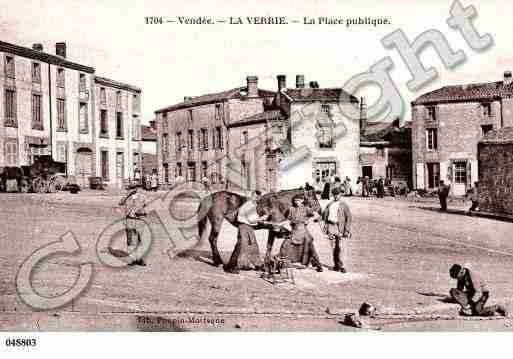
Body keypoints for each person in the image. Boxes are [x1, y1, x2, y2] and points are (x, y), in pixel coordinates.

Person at [224, 190, 266, 274]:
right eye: (255, 196)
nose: (257, 198)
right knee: (241, 246)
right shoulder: (249, 205)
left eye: (258, 197)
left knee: (253, 245)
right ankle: (231, 266)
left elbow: (253, 217)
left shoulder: (253, 205)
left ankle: (258, 264)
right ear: (252, 196)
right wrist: (263, 218)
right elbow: (251, 219)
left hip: (248, 226)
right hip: (244, 226)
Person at [283, 193, 323, 272]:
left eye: (298, 200)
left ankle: (318, 264)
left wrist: (308, 220)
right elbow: (288, 220)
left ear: (302, 201)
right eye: (295, 200)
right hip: (294, 230)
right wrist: (280, 224)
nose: (296, 202)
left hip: (303, 230)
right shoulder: (291, 209)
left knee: (311, 247)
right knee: (285, 245)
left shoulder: (306, 208)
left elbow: (317, 215)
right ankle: (282, 263)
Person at [322, 187, 352, 273]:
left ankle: (342, 266)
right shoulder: (330, 204)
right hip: (331, 227)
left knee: (341, 247)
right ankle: (336, 265)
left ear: (340, 195)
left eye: (337, 194)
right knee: (334, 247)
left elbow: (349, 217)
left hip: (340, 227)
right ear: (332, 195)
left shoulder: (344, 205)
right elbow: (324, 216)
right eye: (334, 195)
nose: (336, 196)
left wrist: (346, 230)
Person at [118, 185, 148, 266]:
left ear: (138, 188)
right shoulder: (127, 197)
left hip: (139, 220)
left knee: (139, 239)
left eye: (134, 188)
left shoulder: (142, 196)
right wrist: (127, 195)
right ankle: (131, 259)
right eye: (131, 188)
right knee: (130, 240)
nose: (132, 190)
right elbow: (120, 203)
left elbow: (145, 205)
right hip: (129, 219)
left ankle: (139, 258)